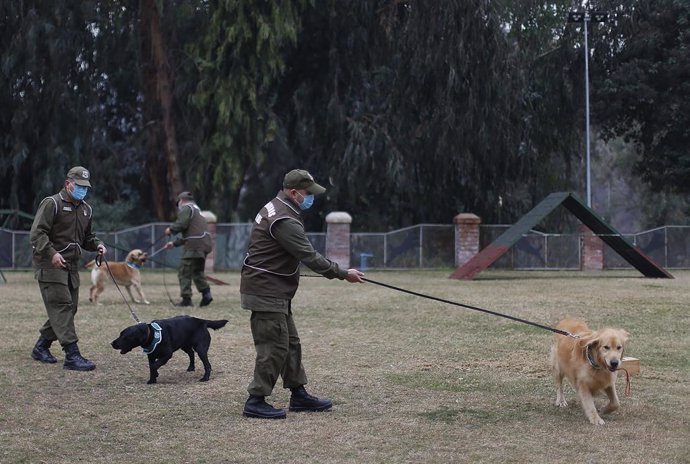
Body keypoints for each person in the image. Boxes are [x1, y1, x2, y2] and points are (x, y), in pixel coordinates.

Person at [241, 169, 365, 419]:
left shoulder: (277, 207)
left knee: (290, 344)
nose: (310, 198)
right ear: (294, 192)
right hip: (267, 290)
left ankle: (298, 395)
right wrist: (343, 273)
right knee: (273, 346)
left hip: (274, 288)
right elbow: (309, 256)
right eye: (307, 193)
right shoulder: (284, 219)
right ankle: (255, 400)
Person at [30, 166, 107, 371]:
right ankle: (72, 355)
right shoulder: (51, 203)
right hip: (49, 264)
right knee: (62, 306)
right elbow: (37, 234)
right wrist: (51, 253)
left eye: (85, 187)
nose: (82, 190)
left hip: (71, 266)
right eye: (79, 186)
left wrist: (97, 244)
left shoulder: (86, 209)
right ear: (68, 184)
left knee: (70, 308)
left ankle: (41, 347)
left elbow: (87, 238)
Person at [164, 191, 214, 307]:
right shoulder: (198, 212)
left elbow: (182, 224)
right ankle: (206, 294)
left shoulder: (187, 208)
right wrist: (174, 243)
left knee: (184, 272)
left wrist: (170, 230)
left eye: (178, 204)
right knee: (197, 271)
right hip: (204, 244)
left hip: (194, 246)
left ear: (181, 201)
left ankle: (186, 300)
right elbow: (191, 234)